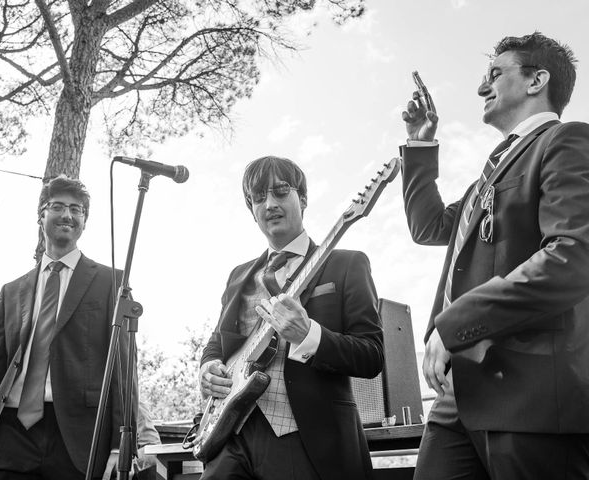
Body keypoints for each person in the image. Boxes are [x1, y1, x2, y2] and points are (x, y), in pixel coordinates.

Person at [400, 32, 589, 479]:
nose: (482, 87)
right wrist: (421, 144)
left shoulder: (565, 142)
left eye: (494, 74)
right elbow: (428, 228)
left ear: (536, 80)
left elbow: (574, 256)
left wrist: (457, 324)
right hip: (456, 396)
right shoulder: (482, 182)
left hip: (531, 398)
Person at [198, 156, 383, 480]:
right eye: (258, 198)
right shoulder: (238, 276)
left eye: (281, 192)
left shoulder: (347, 264)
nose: (270, 204)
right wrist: (208, 369)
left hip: (309, 442)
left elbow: (371, 356)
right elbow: (217, 342)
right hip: (230, 439)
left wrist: (308, 334)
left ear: (304, 198)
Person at [0, 175, 133, 480]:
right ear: (41, 216)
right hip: (9, 432)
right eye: (58, 207)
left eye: (76, 210)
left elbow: (123, 369)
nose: (67, 215)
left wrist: (119, 447)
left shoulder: (111, 282)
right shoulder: (12, 291)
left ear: (84, 221)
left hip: (78, 436)